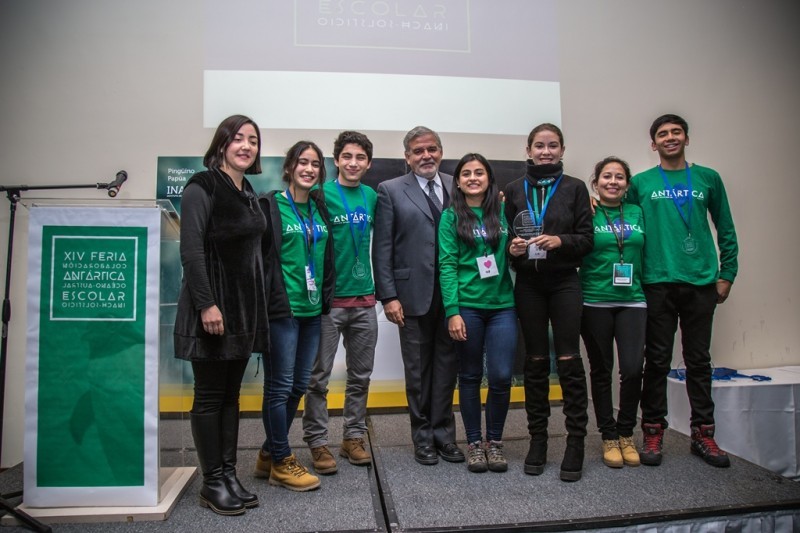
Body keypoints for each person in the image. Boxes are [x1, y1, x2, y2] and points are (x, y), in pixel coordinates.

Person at [629, 114, 738, 468]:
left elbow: (726, 228)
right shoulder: (641, 183)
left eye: (676, 132)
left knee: (699, 361)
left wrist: (727, 273)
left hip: (701, 281)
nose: (670, 138)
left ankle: (703, 434)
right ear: (653, 143)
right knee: (656, 360)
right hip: (657, 281)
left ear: (686, 139)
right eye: (663, 134)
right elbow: (624, 220)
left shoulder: (708, 178)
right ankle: (653, 430)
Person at [174, 114, 268, 515]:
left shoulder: (246, 190)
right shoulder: (202, 185)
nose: (246, 146)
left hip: (243, 310)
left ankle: (228, 474)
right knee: (210, 396)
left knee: (231, 395)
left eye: (253, 140)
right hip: (211, 309)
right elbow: (191, 251)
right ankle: (212, 482)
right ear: (222, 143)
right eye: (238, 139)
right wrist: (207, 304)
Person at [503, 123, 594, 481]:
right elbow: (508, 241)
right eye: (539, 146)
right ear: (528, 150)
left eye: (552, 146)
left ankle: (576, 441)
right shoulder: (513, 190)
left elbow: (587, 240)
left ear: (562, 150)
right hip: (528, 283)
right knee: (536, 361)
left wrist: (561, 241)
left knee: (569, 359)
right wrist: (511, 250)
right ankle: (537, 439)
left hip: (565, 282)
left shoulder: (574, 188)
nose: (545, 151)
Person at [372, 126, 464, 466]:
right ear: (407, 157)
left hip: (453, 296)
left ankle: (445, 436)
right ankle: (423, 438)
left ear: (440, 151)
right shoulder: (390, 190)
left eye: (432, 149)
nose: (426, 156)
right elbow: (382, 249)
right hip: (410, 296)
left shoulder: (459, 185)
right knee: (418, 372)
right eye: (417, 151)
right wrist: (389, 297)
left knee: (446, 368)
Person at [255, 141, 334, 490]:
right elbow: (258, 261)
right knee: (279, 387)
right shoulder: (271, 205)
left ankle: (268, 452)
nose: (309, 169)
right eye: (303, 162)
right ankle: (282, 460)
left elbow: (327, 257)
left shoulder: (319, 209)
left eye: (315, 164)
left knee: (300, 385)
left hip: (312, 311)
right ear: (289, 167)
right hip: (281, 312)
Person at [439, 153, 523, 473]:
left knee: (501, 376)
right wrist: (452, 311)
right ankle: (474, 443)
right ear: (457, 181)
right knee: (471, 376)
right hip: (468, 308)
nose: (473, 178)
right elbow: (446, 265)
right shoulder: (450, 218)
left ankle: (495, 441)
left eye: (479, 172)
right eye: (466, 173)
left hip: (502, 305)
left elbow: (522, 243)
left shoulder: (503, 211)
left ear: (489, 178)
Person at [302, 131, 378, 474]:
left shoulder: (373, 197)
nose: (353, 163)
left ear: (368, 163)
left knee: (360, 376)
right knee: (318, 378)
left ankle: (353, 436)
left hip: (364, 302)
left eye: (360, 158)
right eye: (347, 156)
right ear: (336, 161)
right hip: (329, 303)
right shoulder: (320, 195)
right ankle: (318, 442)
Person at [580, 156, 646, 469]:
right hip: (594, 300)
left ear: (627, 185)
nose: (613, 182)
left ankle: (626, 432)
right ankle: (608, 434)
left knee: (633, 369)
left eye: (619, 177)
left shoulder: (637, 212)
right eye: (607, 176)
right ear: (596, 183)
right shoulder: (587, 212)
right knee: (601, 369)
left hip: (633, 299)